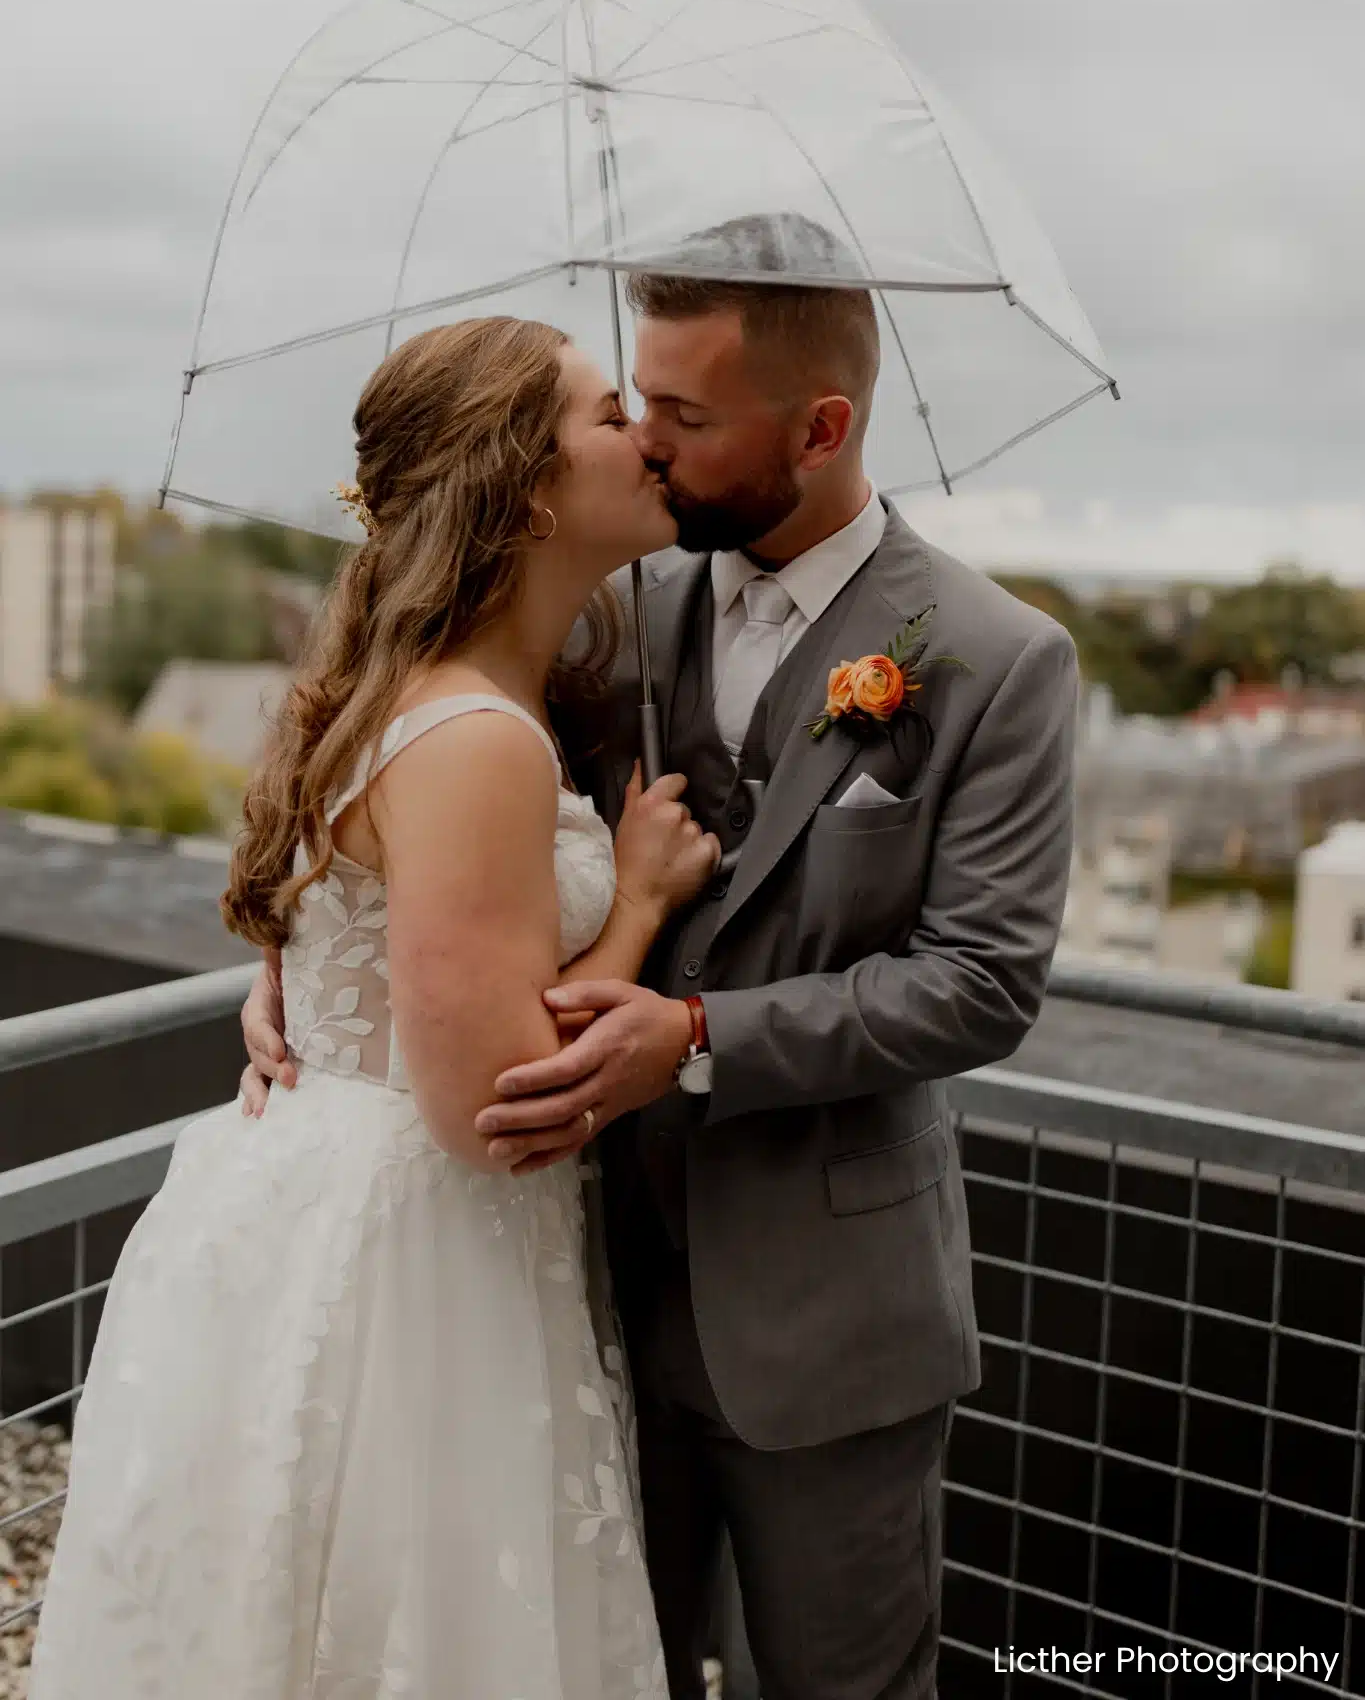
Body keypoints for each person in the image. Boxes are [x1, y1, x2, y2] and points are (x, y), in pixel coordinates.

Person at [244, 216, 1081, 1700]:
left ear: (819, 428)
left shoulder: (997, 657)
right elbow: (407, 804)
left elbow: (983, 981)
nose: (649, 443)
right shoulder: (603, 603)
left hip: (830, 1321)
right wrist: (300, 964)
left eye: (687, 419)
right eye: (636, 403)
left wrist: (691, 1037)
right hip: (572, 1288)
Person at [31, 315, 723, 1700]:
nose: (644, 436)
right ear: (526, 488)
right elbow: (486, 1106)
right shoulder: (474, 735)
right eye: (606, 415)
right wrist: (640, 904)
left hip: (325, 1194)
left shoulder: (432, 690)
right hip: (415, 1252)